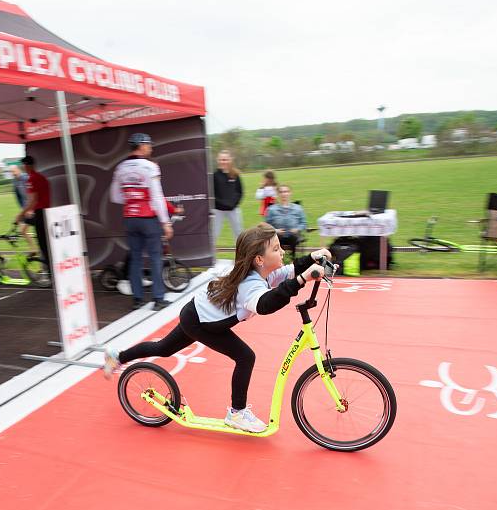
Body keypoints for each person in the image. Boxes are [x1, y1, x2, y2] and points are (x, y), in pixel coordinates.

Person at [103, 222, 332, 433]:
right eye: (276, 249)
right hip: (199, 321)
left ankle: (118, 356)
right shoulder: (249, 284)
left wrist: (312, 257)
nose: (282, 252)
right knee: (245, 357)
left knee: (163, 348)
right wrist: (303, 279)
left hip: (199, 314)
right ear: (259, 260)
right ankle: (237, 413)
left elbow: (289, 272)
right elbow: (264, 305)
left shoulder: (261, 272)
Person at [110, 132, 173, 311]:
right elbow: (157, 197)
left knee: (135, 258)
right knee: (155, 258)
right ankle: (158, 298)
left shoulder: (120, 168)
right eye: (149, 144)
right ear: (142, 146)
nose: (151, 147)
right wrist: (166, 222)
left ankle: (137, 300)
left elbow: (115, 196)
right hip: (148, 219)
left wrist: (133, 199)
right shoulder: (150, 167)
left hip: (130, 218)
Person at [14, 156, 51, 269]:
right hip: (47, 212)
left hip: (40, 213)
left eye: (24, 165)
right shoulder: (42, 177)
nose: (23, 167)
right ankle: (49, 268)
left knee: (43, 244)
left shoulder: (32, 179)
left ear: (27, 165)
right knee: (48, 242)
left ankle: (50, 271)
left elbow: (33, 200)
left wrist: (20, 215)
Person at [265, 184, 307, 254]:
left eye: (286, 191)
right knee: (277, 238)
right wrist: (275, 230)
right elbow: (266, 226)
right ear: (277, 194)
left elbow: (303, 223)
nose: (284, 194)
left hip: (293, 237)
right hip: (278, 237)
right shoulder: (272, 209)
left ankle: (293, 260)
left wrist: (297, 229)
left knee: (293, 237)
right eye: (281, 192)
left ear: (290, 193)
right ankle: (278, 258)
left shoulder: (298, 208)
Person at [213, 150, 243, 242]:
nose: (223, 162)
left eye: (225, 159)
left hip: (233, 209)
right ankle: (210, 256)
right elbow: (212, 194)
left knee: (239, 234)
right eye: (221, 160)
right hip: (218, 210)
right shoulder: (214, 175)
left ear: (230, 160)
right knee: (214, 234)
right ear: (218, 160)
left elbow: (240, 192)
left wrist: (233, 204)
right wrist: (223, 204)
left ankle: (241, 255)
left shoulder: (235, 175)